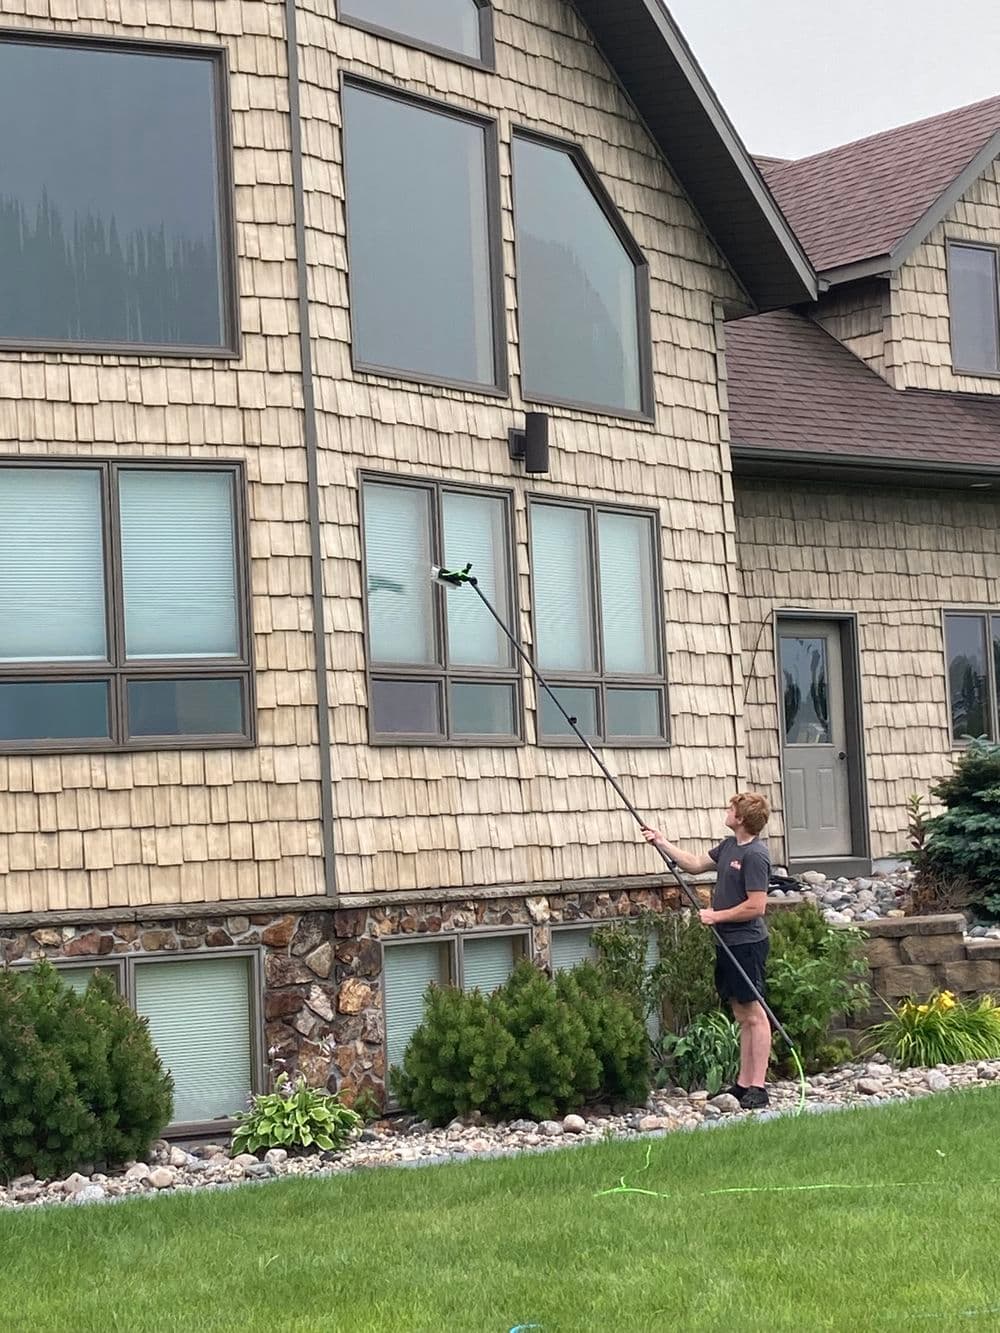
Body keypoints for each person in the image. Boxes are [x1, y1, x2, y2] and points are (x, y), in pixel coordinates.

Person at [642, 793, 772, 1110]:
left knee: (755, 1013)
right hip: (726, 942)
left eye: (732, 809)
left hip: (747, 942)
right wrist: (661, 842)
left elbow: (757, 906)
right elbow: (697, 864)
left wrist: (716, 915)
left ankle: (759, 1086)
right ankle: (742, 1085)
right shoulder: (729, 846)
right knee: (742, 1014)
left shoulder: (756, 855)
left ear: (741, 818)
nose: (727, 812)